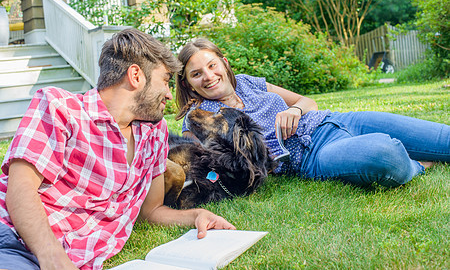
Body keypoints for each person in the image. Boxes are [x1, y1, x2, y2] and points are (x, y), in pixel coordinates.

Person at [0, 29, 235, 270]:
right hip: (13, 240)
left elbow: (151, 211)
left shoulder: (155, 134)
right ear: (135, 75)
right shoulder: (60, 108)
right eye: (164, 80)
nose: (168, 93)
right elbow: (20, 190)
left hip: (74, 259)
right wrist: (53, 257)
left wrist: (196, 216)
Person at [175, 38, 450, 188]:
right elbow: (208, 164)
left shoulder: (247, 82)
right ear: (187, 83)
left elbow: (308, 101)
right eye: (197, 74)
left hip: (336, 121)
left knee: (443, 137)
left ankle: (421, 151)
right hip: (311, 156)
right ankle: (419, 165)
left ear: (224, 63)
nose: (208, 77)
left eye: (212, 66)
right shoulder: (199, 118)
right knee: (382, 155)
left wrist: (294, 109)